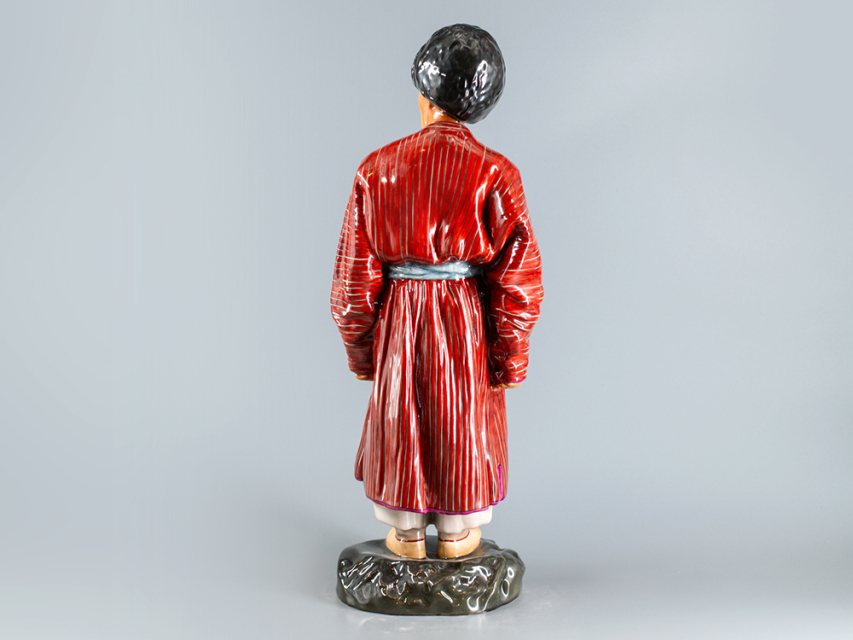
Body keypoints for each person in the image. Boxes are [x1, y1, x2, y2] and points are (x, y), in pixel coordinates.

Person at [331, 24, 543, 559]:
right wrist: (509, 357)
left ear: (425, 96)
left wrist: (362, 352)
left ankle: (405, 533)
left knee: (402, 413)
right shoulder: (497, 174)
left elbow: (354, 279)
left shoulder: (376, 170)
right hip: (463, 320)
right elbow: (518, 279)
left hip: (401, 319)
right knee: (462, 413)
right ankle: (456, 532)